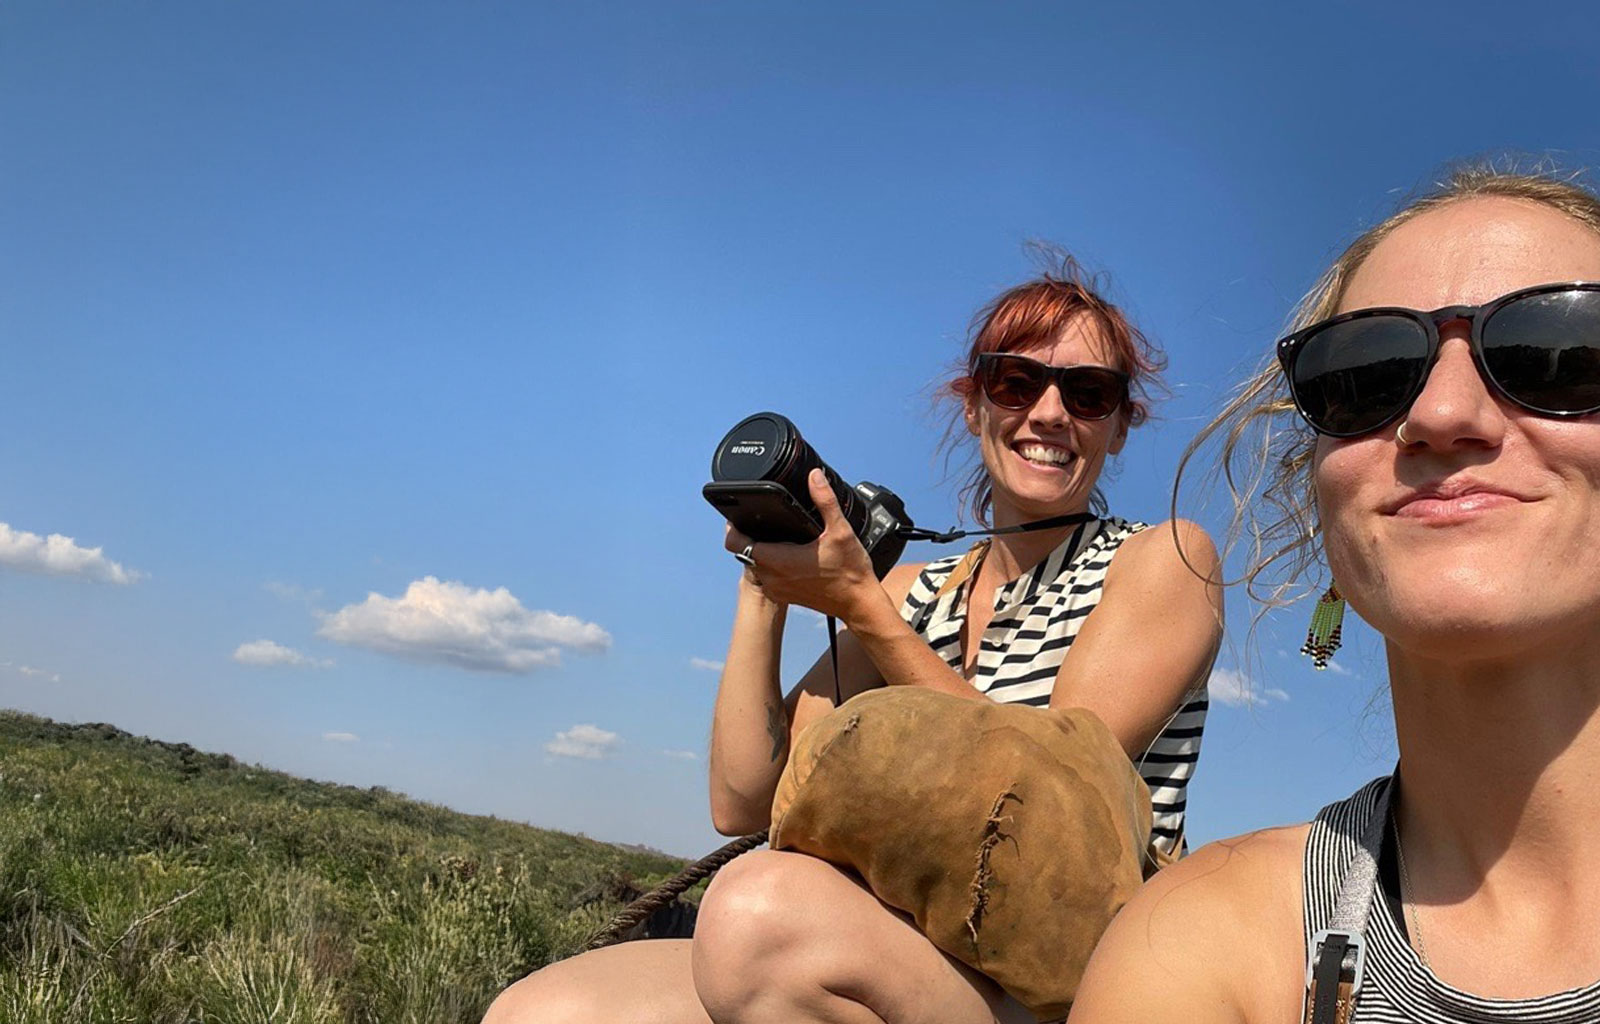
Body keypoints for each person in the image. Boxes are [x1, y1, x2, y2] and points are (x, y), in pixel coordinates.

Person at [483, 260, 1223, 1024]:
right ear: (972, 406)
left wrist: (863, 610)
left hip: (1066, 981)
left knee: (756, 917)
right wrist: (765, 577)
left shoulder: (1163, 560)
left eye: (1088, 393)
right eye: (1014, 382)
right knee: (543, 1009)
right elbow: (741, 800)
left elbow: (1050, 797)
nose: (1049, 412)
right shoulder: (913, 594)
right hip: (879, 942)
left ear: (1120, 426)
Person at [1070, 167, 1600, 1024]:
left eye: (1560, 353)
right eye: (1367, 373)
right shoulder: (1208, 940)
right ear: (1319, 493)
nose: (1441, 412)